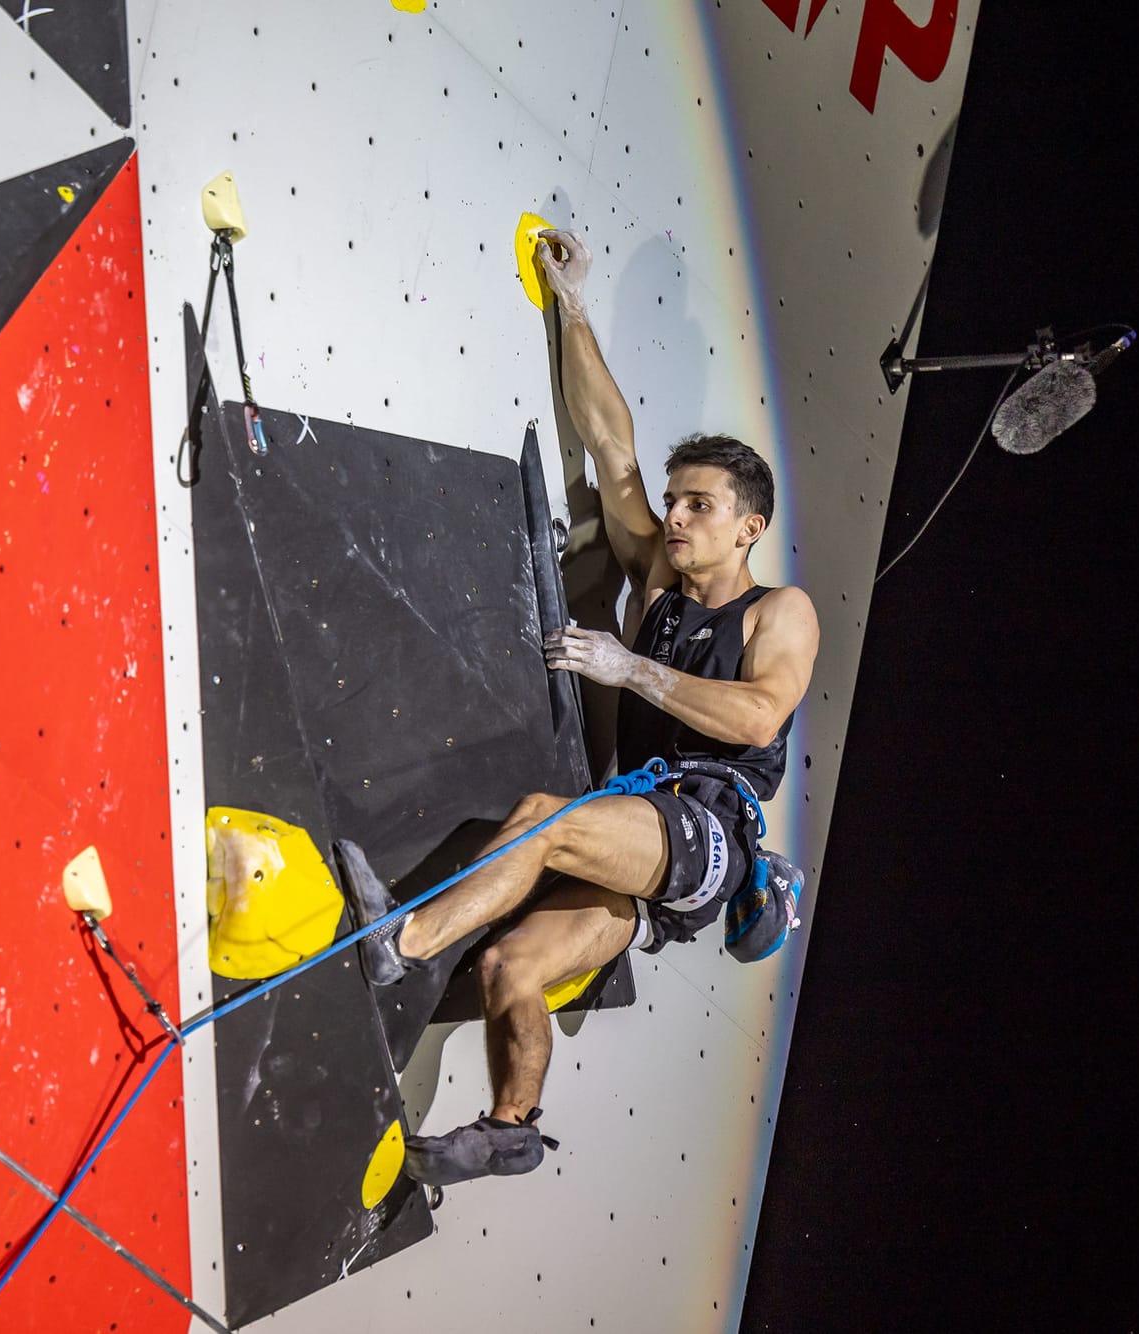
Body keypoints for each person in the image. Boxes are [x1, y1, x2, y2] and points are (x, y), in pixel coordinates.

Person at [331, 226, 821, 1188]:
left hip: (708, 831)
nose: (675, 517)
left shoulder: (780, 610)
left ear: (750, 527)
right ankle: (512, 1128)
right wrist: (573, 303)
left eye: (701, 506)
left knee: (544, 823)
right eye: (676, 502)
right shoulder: (661, 583)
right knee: (511, 967)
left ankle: (405, 941)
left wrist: (633, 671)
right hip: (645, 850)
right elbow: (612, 448)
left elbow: (761, 718)